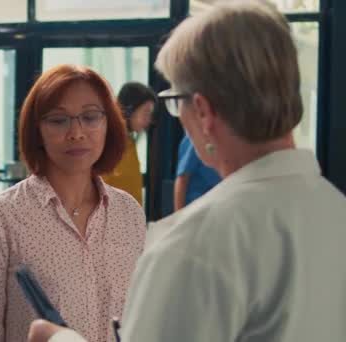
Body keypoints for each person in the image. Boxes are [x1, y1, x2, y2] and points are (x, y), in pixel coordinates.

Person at [27, 2, 346, 341]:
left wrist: (60, 339)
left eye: (176, 100)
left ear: (204, 111)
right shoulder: (334, 210)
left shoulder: (195, 245)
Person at [0, 64, 146, 342]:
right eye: (58, 120)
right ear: (37, 132)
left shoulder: (128, 213)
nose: (76, 132)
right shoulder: (0, 219)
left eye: (91, 117)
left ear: (109, 124)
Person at [102, 82, 157, 206]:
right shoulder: (106, 142)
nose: (149, 120)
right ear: (129, 109)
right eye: (145, 113)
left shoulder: (129, 142)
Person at [173, 134, 221, 211]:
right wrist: (178, 216)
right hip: (195, 209)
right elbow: (182, 179)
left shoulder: (227, 139)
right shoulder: (195, 138)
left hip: (217, 208)